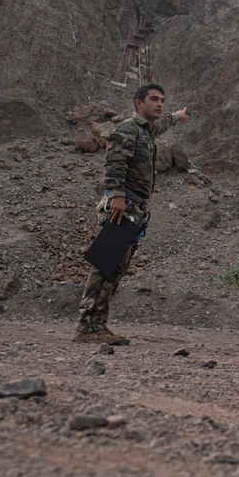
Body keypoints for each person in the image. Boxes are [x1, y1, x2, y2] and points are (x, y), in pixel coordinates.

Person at [73, 83, 189, 344]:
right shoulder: (127, 129)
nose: (160, 104)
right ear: (139, 103)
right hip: (122, 206)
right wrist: (116, 195)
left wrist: (178, 116)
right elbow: (115, 162)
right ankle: (86, 326)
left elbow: (165, 121)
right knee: (106, 264)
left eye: (162, 99)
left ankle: (96, 325)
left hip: (134, 208)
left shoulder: (148, 129)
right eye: (154, 99)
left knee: (116, 267)